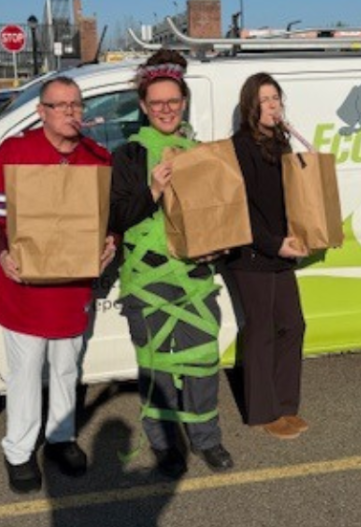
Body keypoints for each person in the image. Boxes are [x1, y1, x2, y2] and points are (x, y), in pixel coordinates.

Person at [0, 76, 117, 494]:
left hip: (72, 287)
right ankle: (17, 450)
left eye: (76, 104)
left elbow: (110, 220)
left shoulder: (98, 157)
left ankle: (60, 439)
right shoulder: (14, 153)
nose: (70, 112)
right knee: (26, 372)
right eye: (59, 105)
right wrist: (1, 252)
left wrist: (111, 242)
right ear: (41, 112)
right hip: (24, 288)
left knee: (68, 367)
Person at [109, 49, 234, 478]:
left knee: (201, 361)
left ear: (183, 105)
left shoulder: (200, 154)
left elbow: (218, 216)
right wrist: (152, 191)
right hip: (147, 280)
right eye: (157, 103)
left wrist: (220, 248)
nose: (165, 110)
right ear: (143, 106)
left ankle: (207, 439)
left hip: (196, 277)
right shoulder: (126, 157)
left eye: (173, 102)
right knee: (157, 363)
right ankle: (163, 443)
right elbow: (116, 218)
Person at [226, 73, 309, 439]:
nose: (273, 105)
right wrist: (271, 243)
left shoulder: (282, 143)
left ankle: (287, 405)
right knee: (261, 331)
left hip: (282, 250)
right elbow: (238, 209)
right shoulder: (239, 147)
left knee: (293, 324)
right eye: (265, 99)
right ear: (251, 106)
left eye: (276, 98)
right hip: (253, 253)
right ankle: (263, 411)